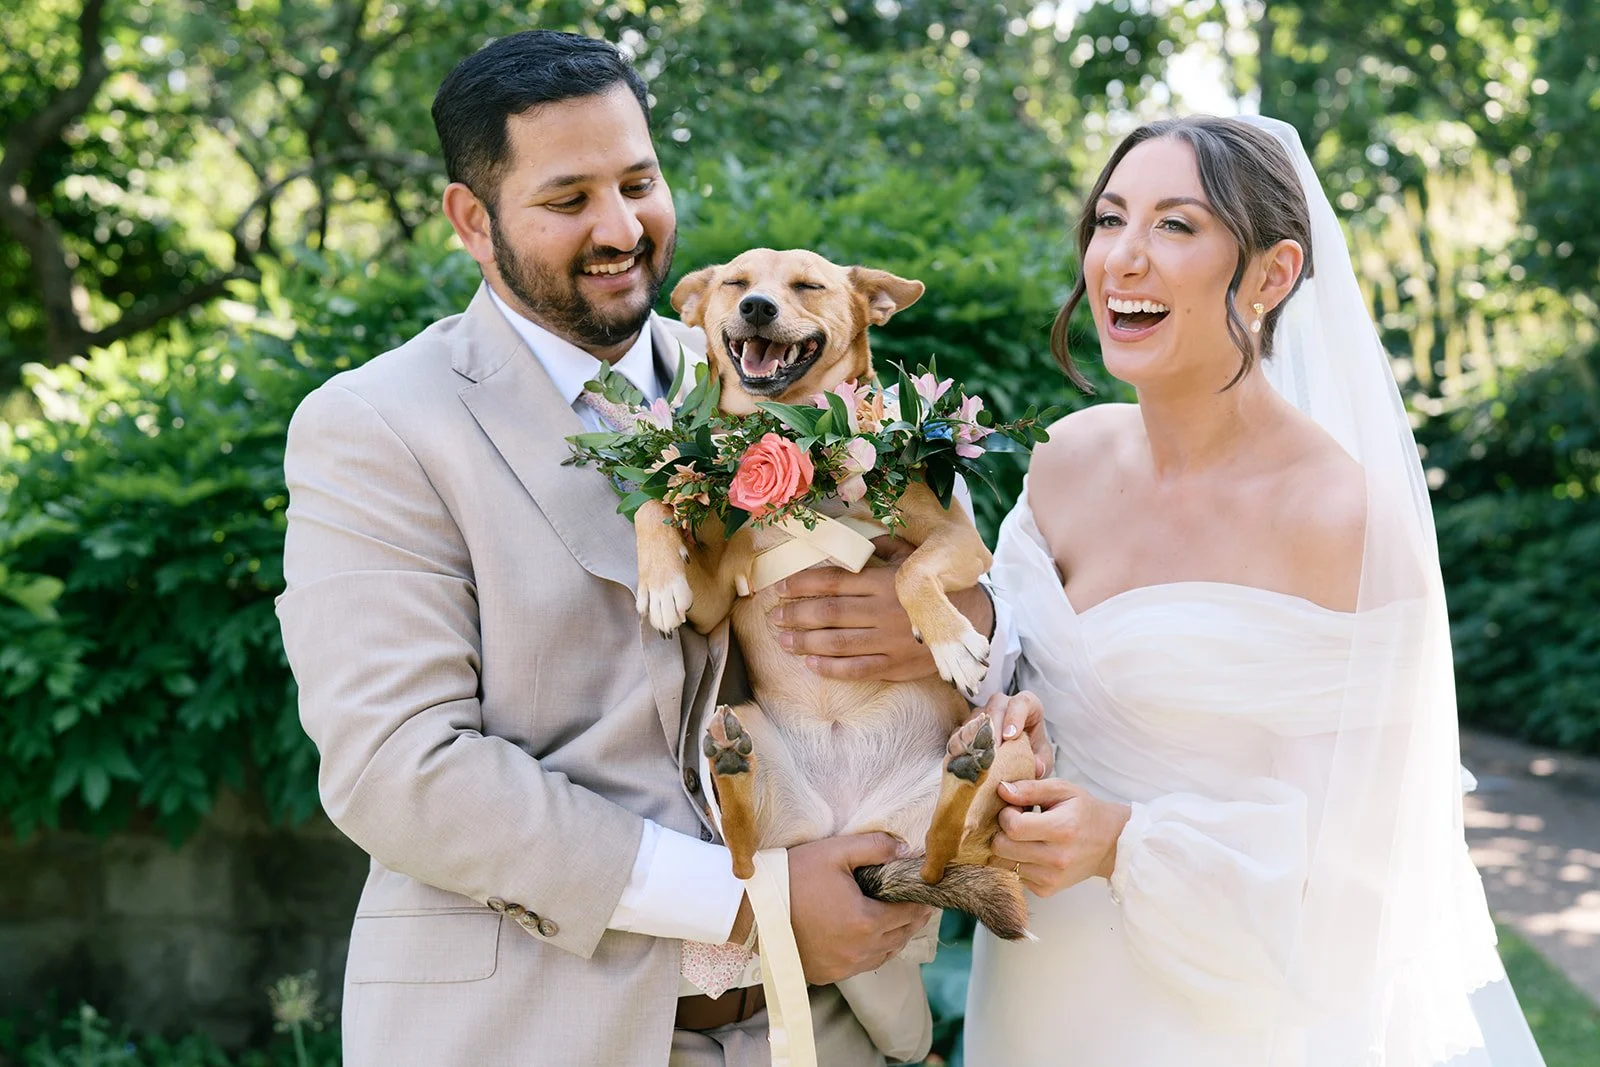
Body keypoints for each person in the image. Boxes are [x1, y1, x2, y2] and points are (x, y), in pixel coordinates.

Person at [275, 29, 1001, 1067]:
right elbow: (398, 768)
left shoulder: (778, 365)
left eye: (638, 181)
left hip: (831, 1023)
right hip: (528, 1029)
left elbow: (980, 594)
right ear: (472, 221)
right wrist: (748, 901)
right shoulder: (377, 423)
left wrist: (963, 620)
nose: (620, 228)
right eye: (569, 201)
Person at [965, 116, 1547, 1065]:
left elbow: (1366, 883)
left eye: (1176, 226)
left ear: (1273, 275)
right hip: (1037, 985)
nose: (1123, 259)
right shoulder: (1063, 459)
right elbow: (1008, 669)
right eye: (1110, 220)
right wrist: (1008, 725)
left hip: (1224, 1018)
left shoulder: (1342, 521)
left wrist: (1123, 843)